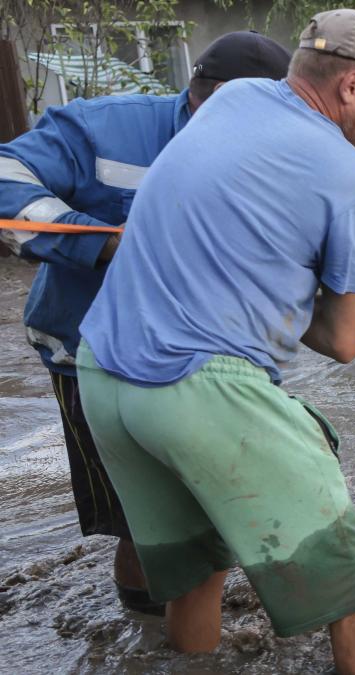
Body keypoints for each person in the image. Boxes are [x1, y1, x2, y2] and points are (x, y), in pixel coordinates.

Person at [75, 9, 355, 671]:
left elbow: (256, 228)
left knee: (199, 570)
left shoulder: (237, 99)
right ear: (353, 86)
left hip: (103, 376)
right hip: (196, 389)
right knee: (352, 580)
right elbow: (340, 340)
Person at [0, 30, 294, 615]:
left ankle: (188, 620)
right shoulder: (104, 129)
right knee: (139, 520)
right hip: (90, 356)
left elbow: (340, 258)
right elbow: (5, 177)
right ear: (202, 100)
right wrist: (107, 244)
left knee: (223, 503)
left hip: (213, 362)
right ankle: (147, 635)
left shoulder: (280, 150)